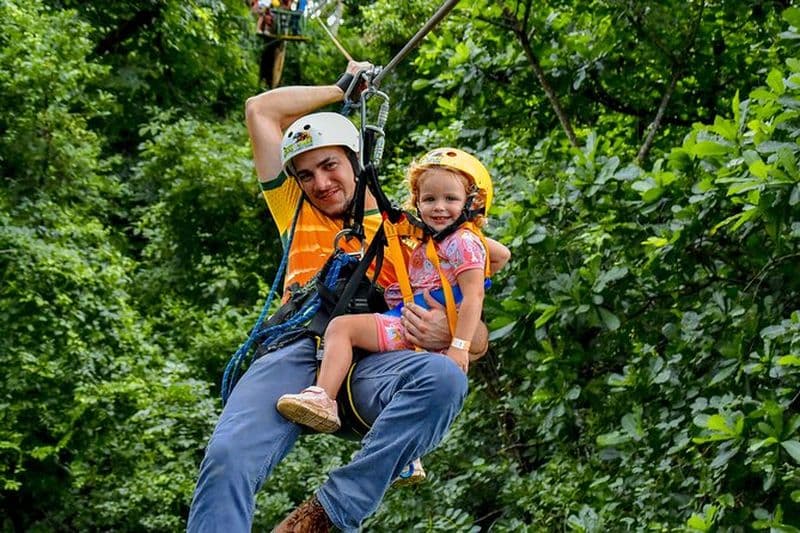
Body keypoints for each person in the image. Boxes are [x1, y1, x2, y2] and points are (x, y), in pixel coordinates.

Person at [186, 60, 493, 533]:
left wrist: (450, 333)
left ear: (355, 161)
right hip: (296, 349)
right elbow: (261, 110)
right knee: (228, 455)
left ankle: (327, 515)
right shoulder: (296, 210)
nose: (320, 183)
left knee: (445, 378)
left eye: (330, 165)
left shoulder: (413, 231)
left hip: (371, 362)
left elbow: (474, 328)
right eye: (306, 174)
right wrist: (339, 89)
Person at [275, 148, 511, 483]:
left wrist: (459, 346)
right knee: (402, 388)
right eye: (429, 199)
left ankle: (323, 398)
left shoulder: (463, 244)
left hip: (410, 323)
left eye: (450, 199)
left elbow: (475, 294)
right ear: (417, 203)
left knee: (342, 328)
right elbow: (501, 254)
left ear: (471, 204)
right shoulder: (443, 242)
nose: (439, 207)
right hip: (416, 321)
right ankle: (408, 458)